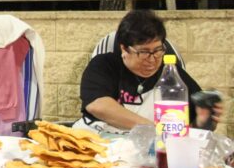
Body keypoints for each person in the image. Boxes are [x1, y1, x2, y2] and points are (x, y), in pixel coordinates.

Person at [75, 9, 224, 134]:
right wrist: (154, 129)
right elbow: (98, 105)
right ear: (124, 48)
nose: (152, 60)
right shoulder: (104, 65)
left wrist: (202, 122)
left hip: (148, 152)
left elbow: (187, 132)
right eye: (144, 52)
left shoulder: (172, 75)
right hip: (98, 144)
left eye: (158, 51)